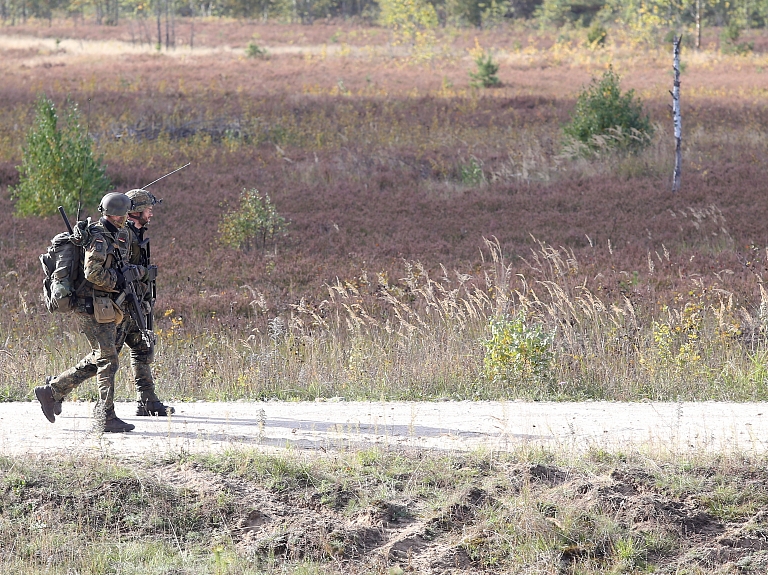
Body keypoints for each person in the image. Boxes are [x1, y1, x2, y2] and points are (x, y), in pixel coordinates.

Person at [35, 192, 138, 432]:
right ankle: (105, 416)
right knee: (108, 361)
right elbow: (93, 274)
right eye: (125, 214)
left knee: (100, 358)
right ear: (119, 214)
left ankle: (52, 391)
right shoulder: (100, 239)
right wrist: (118, 279)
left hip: (101, 304)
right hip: (91, 306)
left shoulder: (111, 233)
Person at [122, 188, 174, 417]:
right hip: (119, 304)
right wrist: (144, 272)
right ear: (135, 212)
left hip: (133, 302)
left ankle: (147, 401)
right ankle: (55, 390)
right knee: (104, 358)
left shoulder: (137, 233)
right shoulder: (123, 235)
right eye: (148, 209)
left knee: (142, 347)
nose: (151, 214)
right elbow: (118, 269)